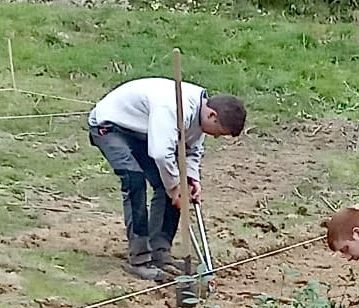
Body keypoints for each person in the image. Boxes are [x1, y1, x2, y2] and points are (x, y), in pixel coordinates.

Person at [87, 78, 247, 281]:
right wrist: (174, 189)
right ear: (212, 115)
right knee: (134, 180)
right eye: (219, 132)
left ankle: (159, 252)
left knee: (172, 182)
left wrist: (190, 178)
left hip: (141, 131)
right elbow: (161, 153)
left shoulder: (201, 112)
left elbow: (191, 149)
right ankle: (139, 259)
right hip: (110, 126)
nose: (216, 137)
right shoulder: (174, 107)